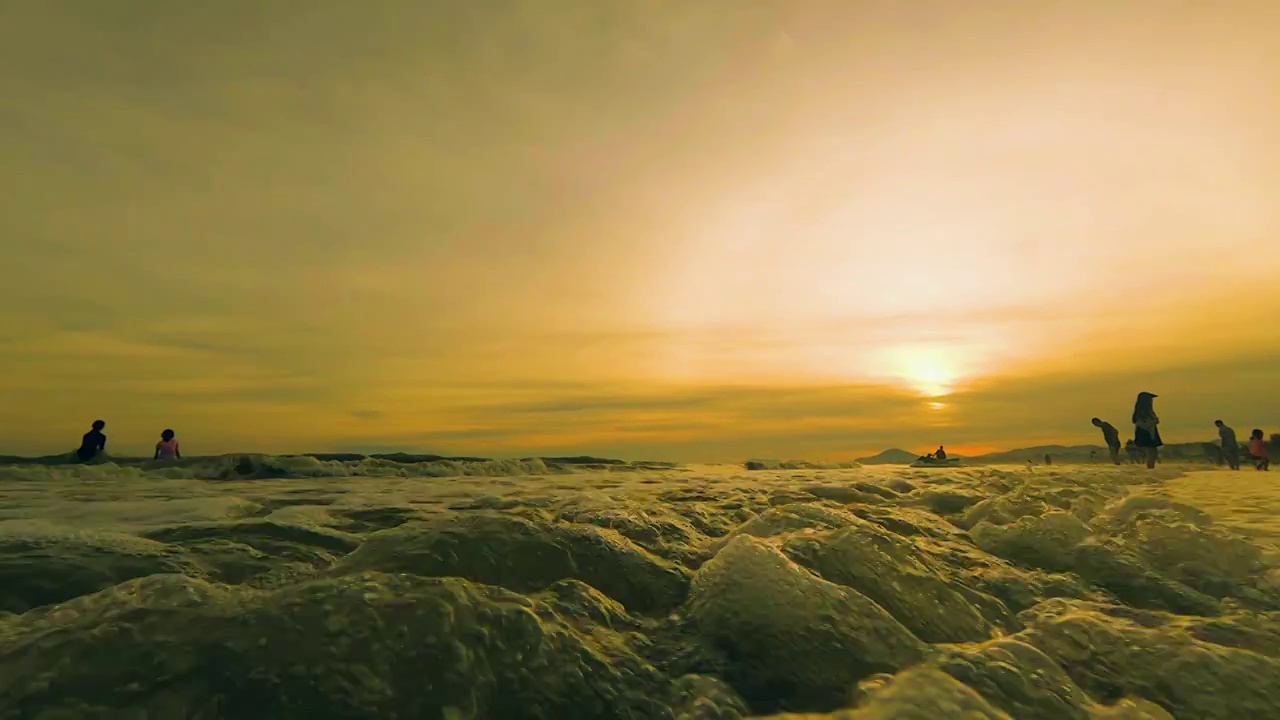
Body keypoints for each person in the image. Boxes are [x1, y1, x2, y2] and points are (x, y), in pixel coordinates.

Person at [1131, 392, 1162, 469]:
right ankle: (1150, 469)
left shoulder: (1147, 411)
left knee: (1153, 453)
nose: (1151, 401)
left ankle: (1151, 469)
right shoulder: (1142, 412)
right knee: (1151, 453)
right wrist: (1154, 422)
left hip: (1150, 432)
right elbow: (1141, 424)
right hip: (1147, 432)